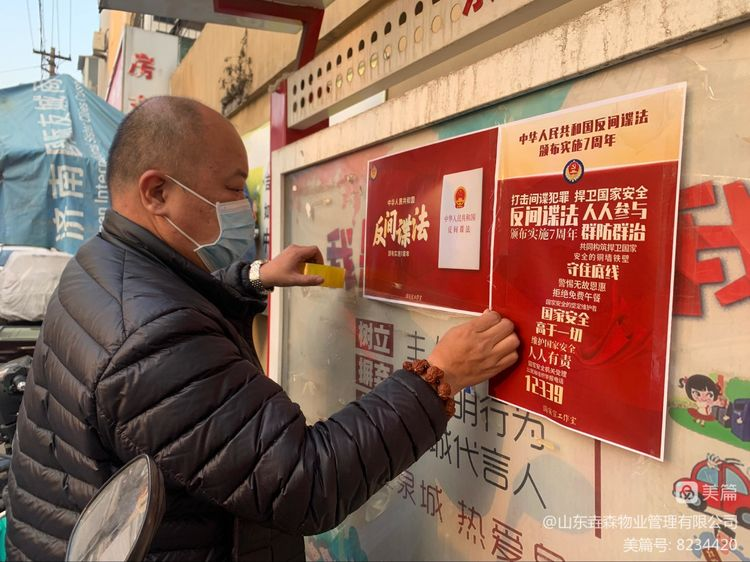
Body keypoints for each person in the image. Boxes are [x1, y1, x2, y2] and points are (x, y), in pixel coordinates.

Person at [4, 97, 520, 562]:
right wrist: (438, 377)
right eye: (233, 189)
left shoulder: (101, 263)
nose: (244, 209)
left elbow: (173, 299)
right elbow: (306, 480)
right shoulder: (151, 338)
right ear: (157, 192)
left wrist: (253, 277)